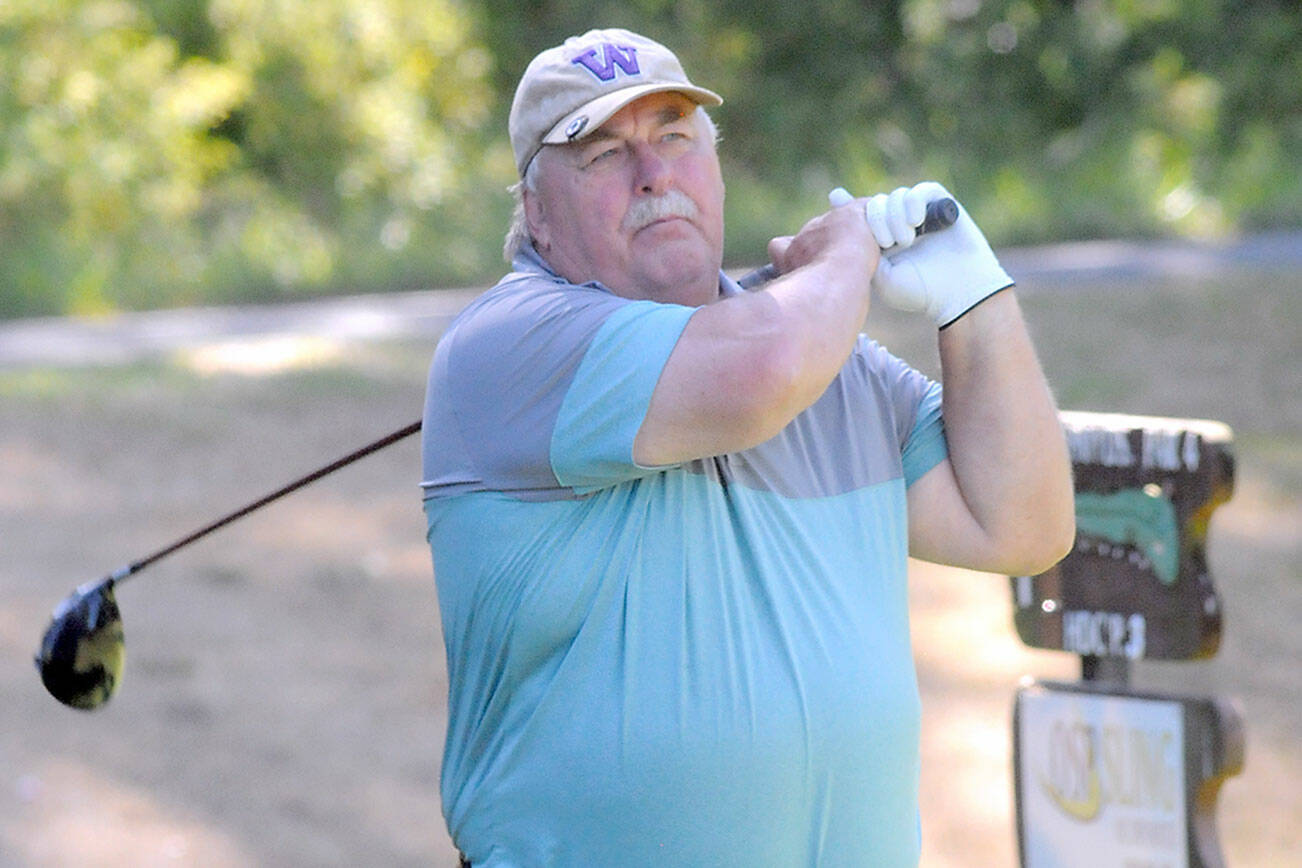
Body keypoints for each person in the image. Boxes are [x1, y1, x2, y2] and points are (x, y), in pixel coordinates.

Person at [420, 27, 1074, 867]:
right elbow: (762, 371)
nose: (653, 173)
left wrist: (974, 298)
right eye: (602, 156)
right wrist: (844, 252)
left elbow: (1023, 525)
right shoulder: (509, 346)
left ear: (715, 167)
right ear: (537, 216)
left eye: (674, 136)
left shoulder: (828, 364)